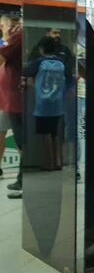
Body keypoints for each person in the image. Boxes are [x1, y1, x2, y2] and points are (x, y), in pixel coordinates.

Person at [23, 36, 70, 170]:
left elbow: (26, 72)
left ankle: (48, 163)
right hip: (57, 104)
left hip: (42, 104)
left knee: (45, 134)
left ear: (42, 49)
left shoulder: (38, 62)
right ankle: (58, 162)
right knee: (55, 133)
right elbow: (68, 79)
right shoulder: (61, 62)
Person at [1, 17, 23, 199]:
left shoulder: (18, 37)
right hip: (9, 99)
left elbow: (2, 57)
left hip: (15, 99)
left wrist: (7, 35)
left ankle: (24, 178)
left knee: (20, 139)